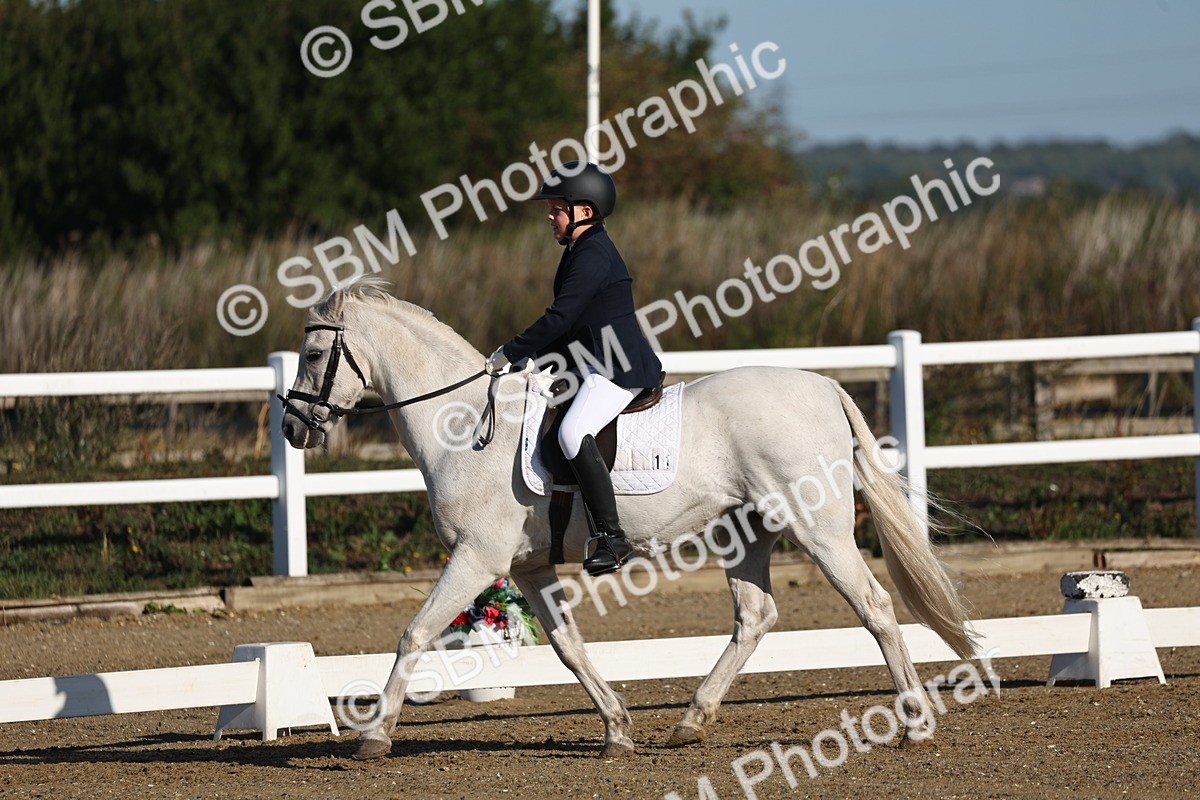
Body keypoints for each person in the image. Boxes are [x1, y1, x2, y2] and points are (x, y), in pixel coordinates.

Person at [486, 162, 662, 577]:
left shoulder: (594, 254)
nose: (550, 216)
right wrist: (534, 359)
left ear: (583, 211)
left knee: (571, 432)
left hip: (618, 368)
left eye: (556, 209)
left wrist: (510, 352)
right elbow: (575, 323)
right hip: (593, 361)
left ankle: (612, 537)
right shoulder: (580, 249)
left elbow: (561, 317)